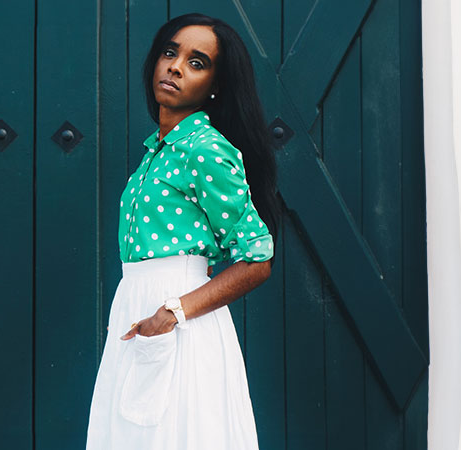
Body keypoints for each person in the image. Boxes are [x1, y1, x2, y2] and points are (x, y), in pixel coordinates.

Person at [85, 12, 281, 450]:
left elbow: (257, 259)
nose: (175, 66)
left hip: (180, 321)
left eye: (197, 62)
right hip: (139, 311)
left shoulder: (205, 149)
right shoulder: (156, 152)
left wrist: (173, 312)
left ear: (215, 86)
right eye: (170, 53)